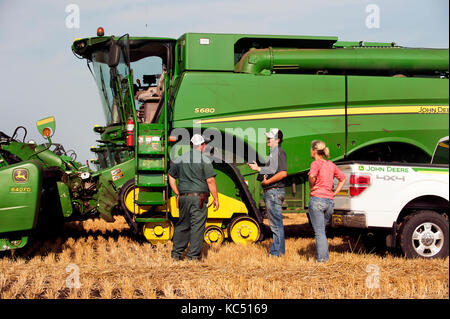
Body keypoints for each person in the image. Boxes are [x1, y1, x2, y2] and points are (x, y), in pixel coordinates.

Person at [168, 134, 219, 261]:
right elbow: (211, 180)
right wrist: (216, 198)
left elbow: (171, 176)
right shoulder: (205, 160)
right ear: (202, 145)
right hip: (199, 198)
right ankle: (193, 257)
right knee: (197, 226)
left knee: (182, 225)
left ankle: (176, 254)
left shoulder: (179, 159)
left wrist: (177, 193)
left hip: (183, 197)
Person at [248, 128, 287, 256]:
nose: (268, 139)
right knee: (276, 223)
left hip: (274, 191)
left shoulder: (278, 153)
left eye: (270, 137)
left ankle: (276, 253)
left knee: (276, 224)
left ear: (278, 140)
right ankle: (278, 252)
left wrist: (268, 183)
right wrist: (258, 168)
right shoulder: (273, 153)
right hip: (272, 191)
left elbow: (282, 173)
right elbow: (272, 170)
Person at [308, 140, 346, 262]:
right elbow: (343, 178)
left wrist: (312, 186)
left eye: (310, 149)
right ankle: (323, 257)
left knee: (319, 232)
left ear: (314, 150)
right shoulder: (331, 165)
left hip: (317, 199)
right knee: (322, 231)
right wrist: (335, 193)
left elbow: (311, 176)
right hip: (329, 202)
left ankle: (323, 259)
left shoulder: (315, 163)